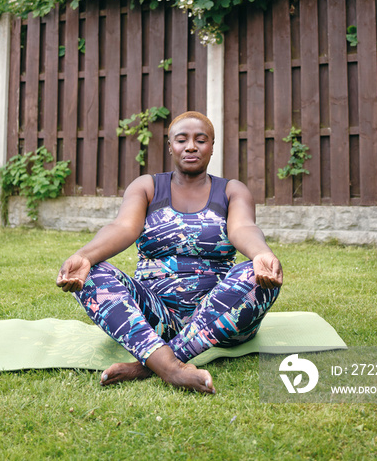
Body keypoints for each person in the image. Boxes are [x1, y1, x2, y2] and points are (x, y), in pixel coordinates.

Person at [56, 111, 283, 394]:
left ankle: (149, 363)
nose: (190, 146)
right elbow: (123, 227)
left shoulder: (231, 191)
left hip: (222, 320)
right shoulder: (148, 187)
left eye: (200, 140)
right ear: (170, 146)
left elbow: (243, 228)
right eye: (181, 140)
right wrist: (85, 256)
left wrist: (261, 253)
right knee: (92, 273)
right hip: (156, 317)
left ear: (212, 146)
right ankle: (170, 367)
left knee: (255, 273)